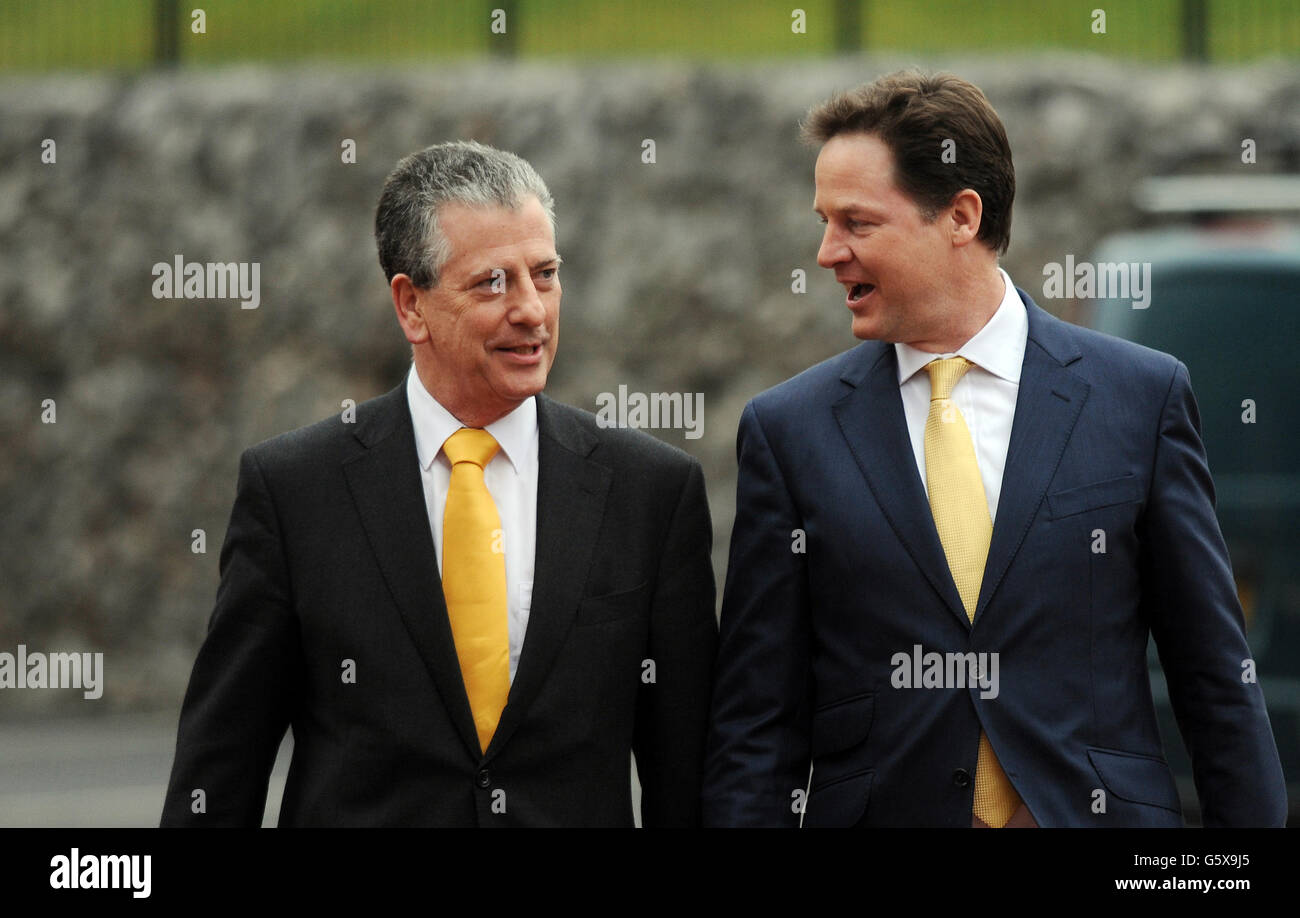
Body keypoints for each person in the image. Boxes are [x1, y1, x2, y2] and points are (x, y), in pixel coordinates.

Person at [702, 71, 1286, 827]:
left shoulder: (1139, 399)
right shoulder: (789, 431)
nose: (826, 252)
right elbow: (757, 724)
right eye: (825, 221)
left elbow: (1216, 681)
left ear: (961, 216)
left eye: (857, 222)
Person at [161, 141, 717, 827]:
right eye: (493, 282)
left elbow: (686, 777)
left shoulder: (651, 493)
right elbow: (220, 768)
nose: (532, 311)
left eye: (544, 274)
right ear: (411, 305)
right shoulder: (295, 492)